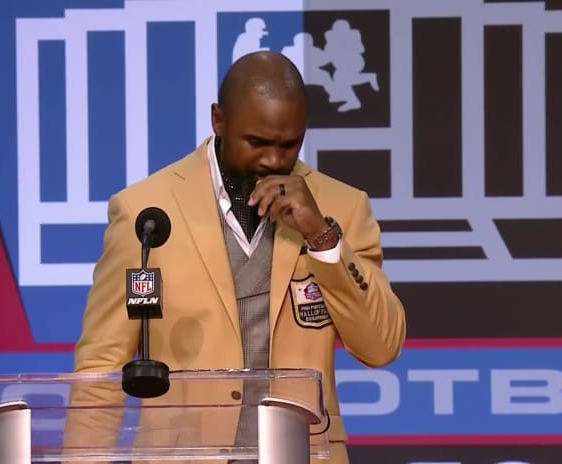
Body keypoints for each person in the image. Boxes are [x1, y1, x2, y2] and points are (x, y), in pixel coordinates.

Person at [72, 51, 406, 463]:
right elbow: (101, 367)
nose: (274, 160)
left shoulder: (341, 207)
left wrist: (320, 235)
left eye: (290, 144)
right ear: (219, 120)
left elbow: (382, 345)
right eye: (258, 142)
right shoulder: (146, 211)